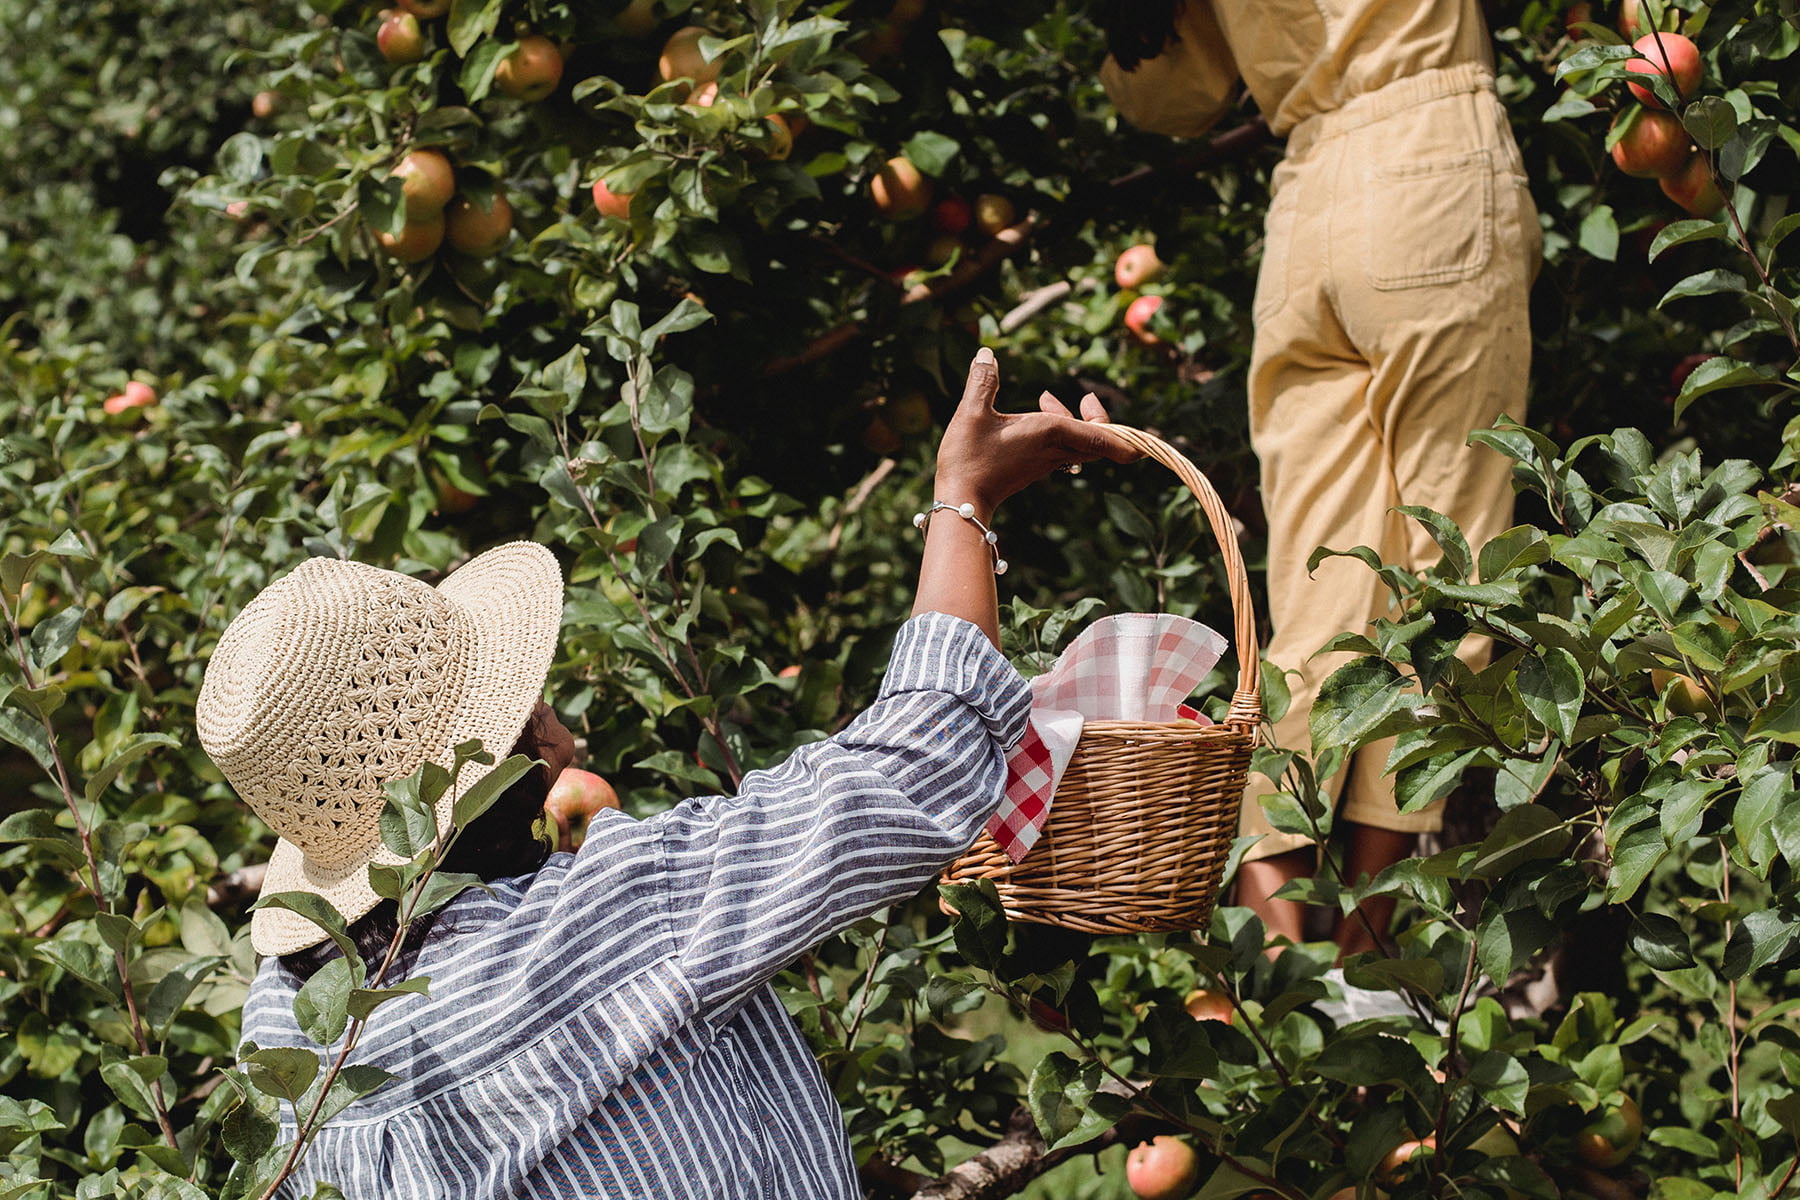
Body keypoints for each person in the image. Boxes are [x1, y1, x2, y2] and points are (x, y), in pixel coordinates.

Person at [197, 348, 1134, 1199]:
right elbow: (918, 761)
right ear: (501, 760)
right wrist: (965, 497)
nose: (567, 740)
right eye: (535, 714)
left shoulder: (284, 1040)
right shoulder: (614, 915)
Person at [1099, 1, 1541, 959]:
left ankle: (1281, 953)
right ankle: (1371, 956)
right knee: (1449, 560)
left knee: (1313, 586)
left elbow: (1176, 97)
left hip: (1306, 200)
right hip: (1431, 157)